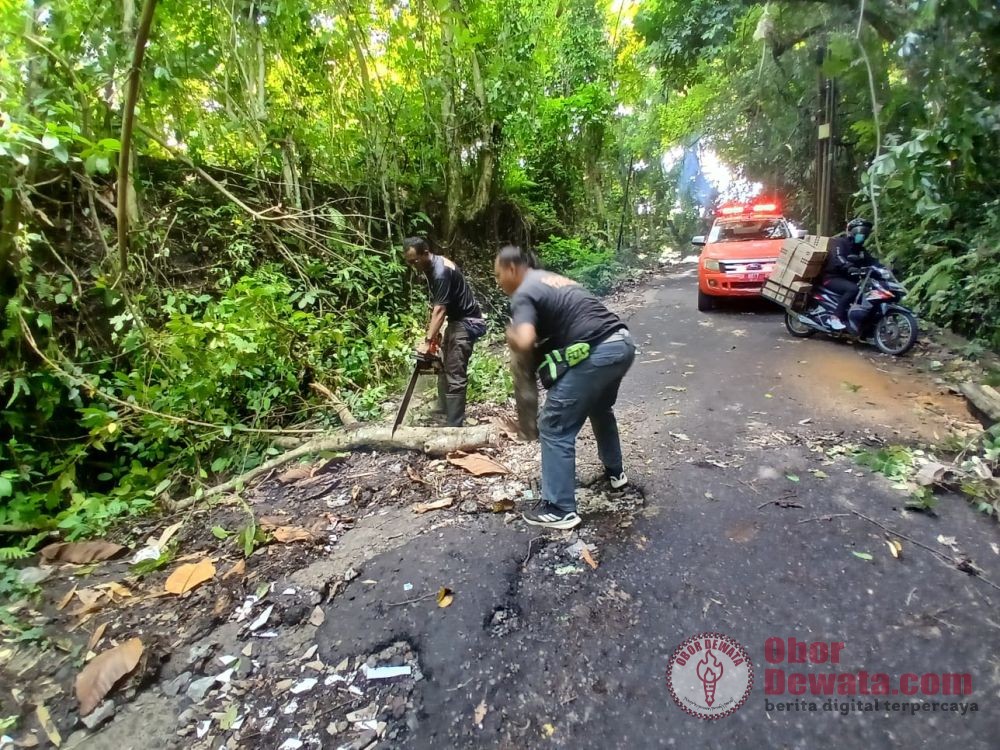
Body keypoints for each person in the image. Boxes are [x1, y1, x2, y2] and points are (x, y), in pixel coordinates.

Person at [494, 245, 635, 530]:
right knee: (600, 408)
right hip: (622, 343)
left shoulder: (524, 291)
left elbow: (524, 340)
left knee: (555, 425)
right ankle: (615, 472)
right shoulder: (552, 279)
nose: (498, 282)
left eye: (497, 275)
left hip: (597, 353)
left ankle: (559, 508)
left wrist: (510, 334)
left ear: (512, 269)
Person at [403, 237, 486, 427]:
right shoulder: (434, 265)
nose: (413, 265)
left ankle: (454, 427)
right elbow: (440, 307)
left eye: (415, 260)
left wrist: (427, 341)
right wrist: (435, 333)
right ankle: (444, 410)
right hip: (457, 321)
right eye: (409, 262)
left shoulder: (440, 272)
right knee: (445, 367)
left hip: (467, 322)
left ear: (425, 253)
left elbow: (439, 310)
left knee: (455, 371)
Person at [819, 218, 879, 331]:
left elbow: (871, 261)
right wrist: (849, 267)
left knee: (866, 297)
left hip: (848, 279)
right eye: (860, 232)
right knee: (853, 289)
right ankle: (834, 318)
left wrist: (884, 269)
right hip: (831, 277)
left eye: (865, 233)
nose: (862, 235)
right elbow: (839, 258)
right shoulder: (839, 242)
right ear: (852, 231)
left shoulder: (860, 249)